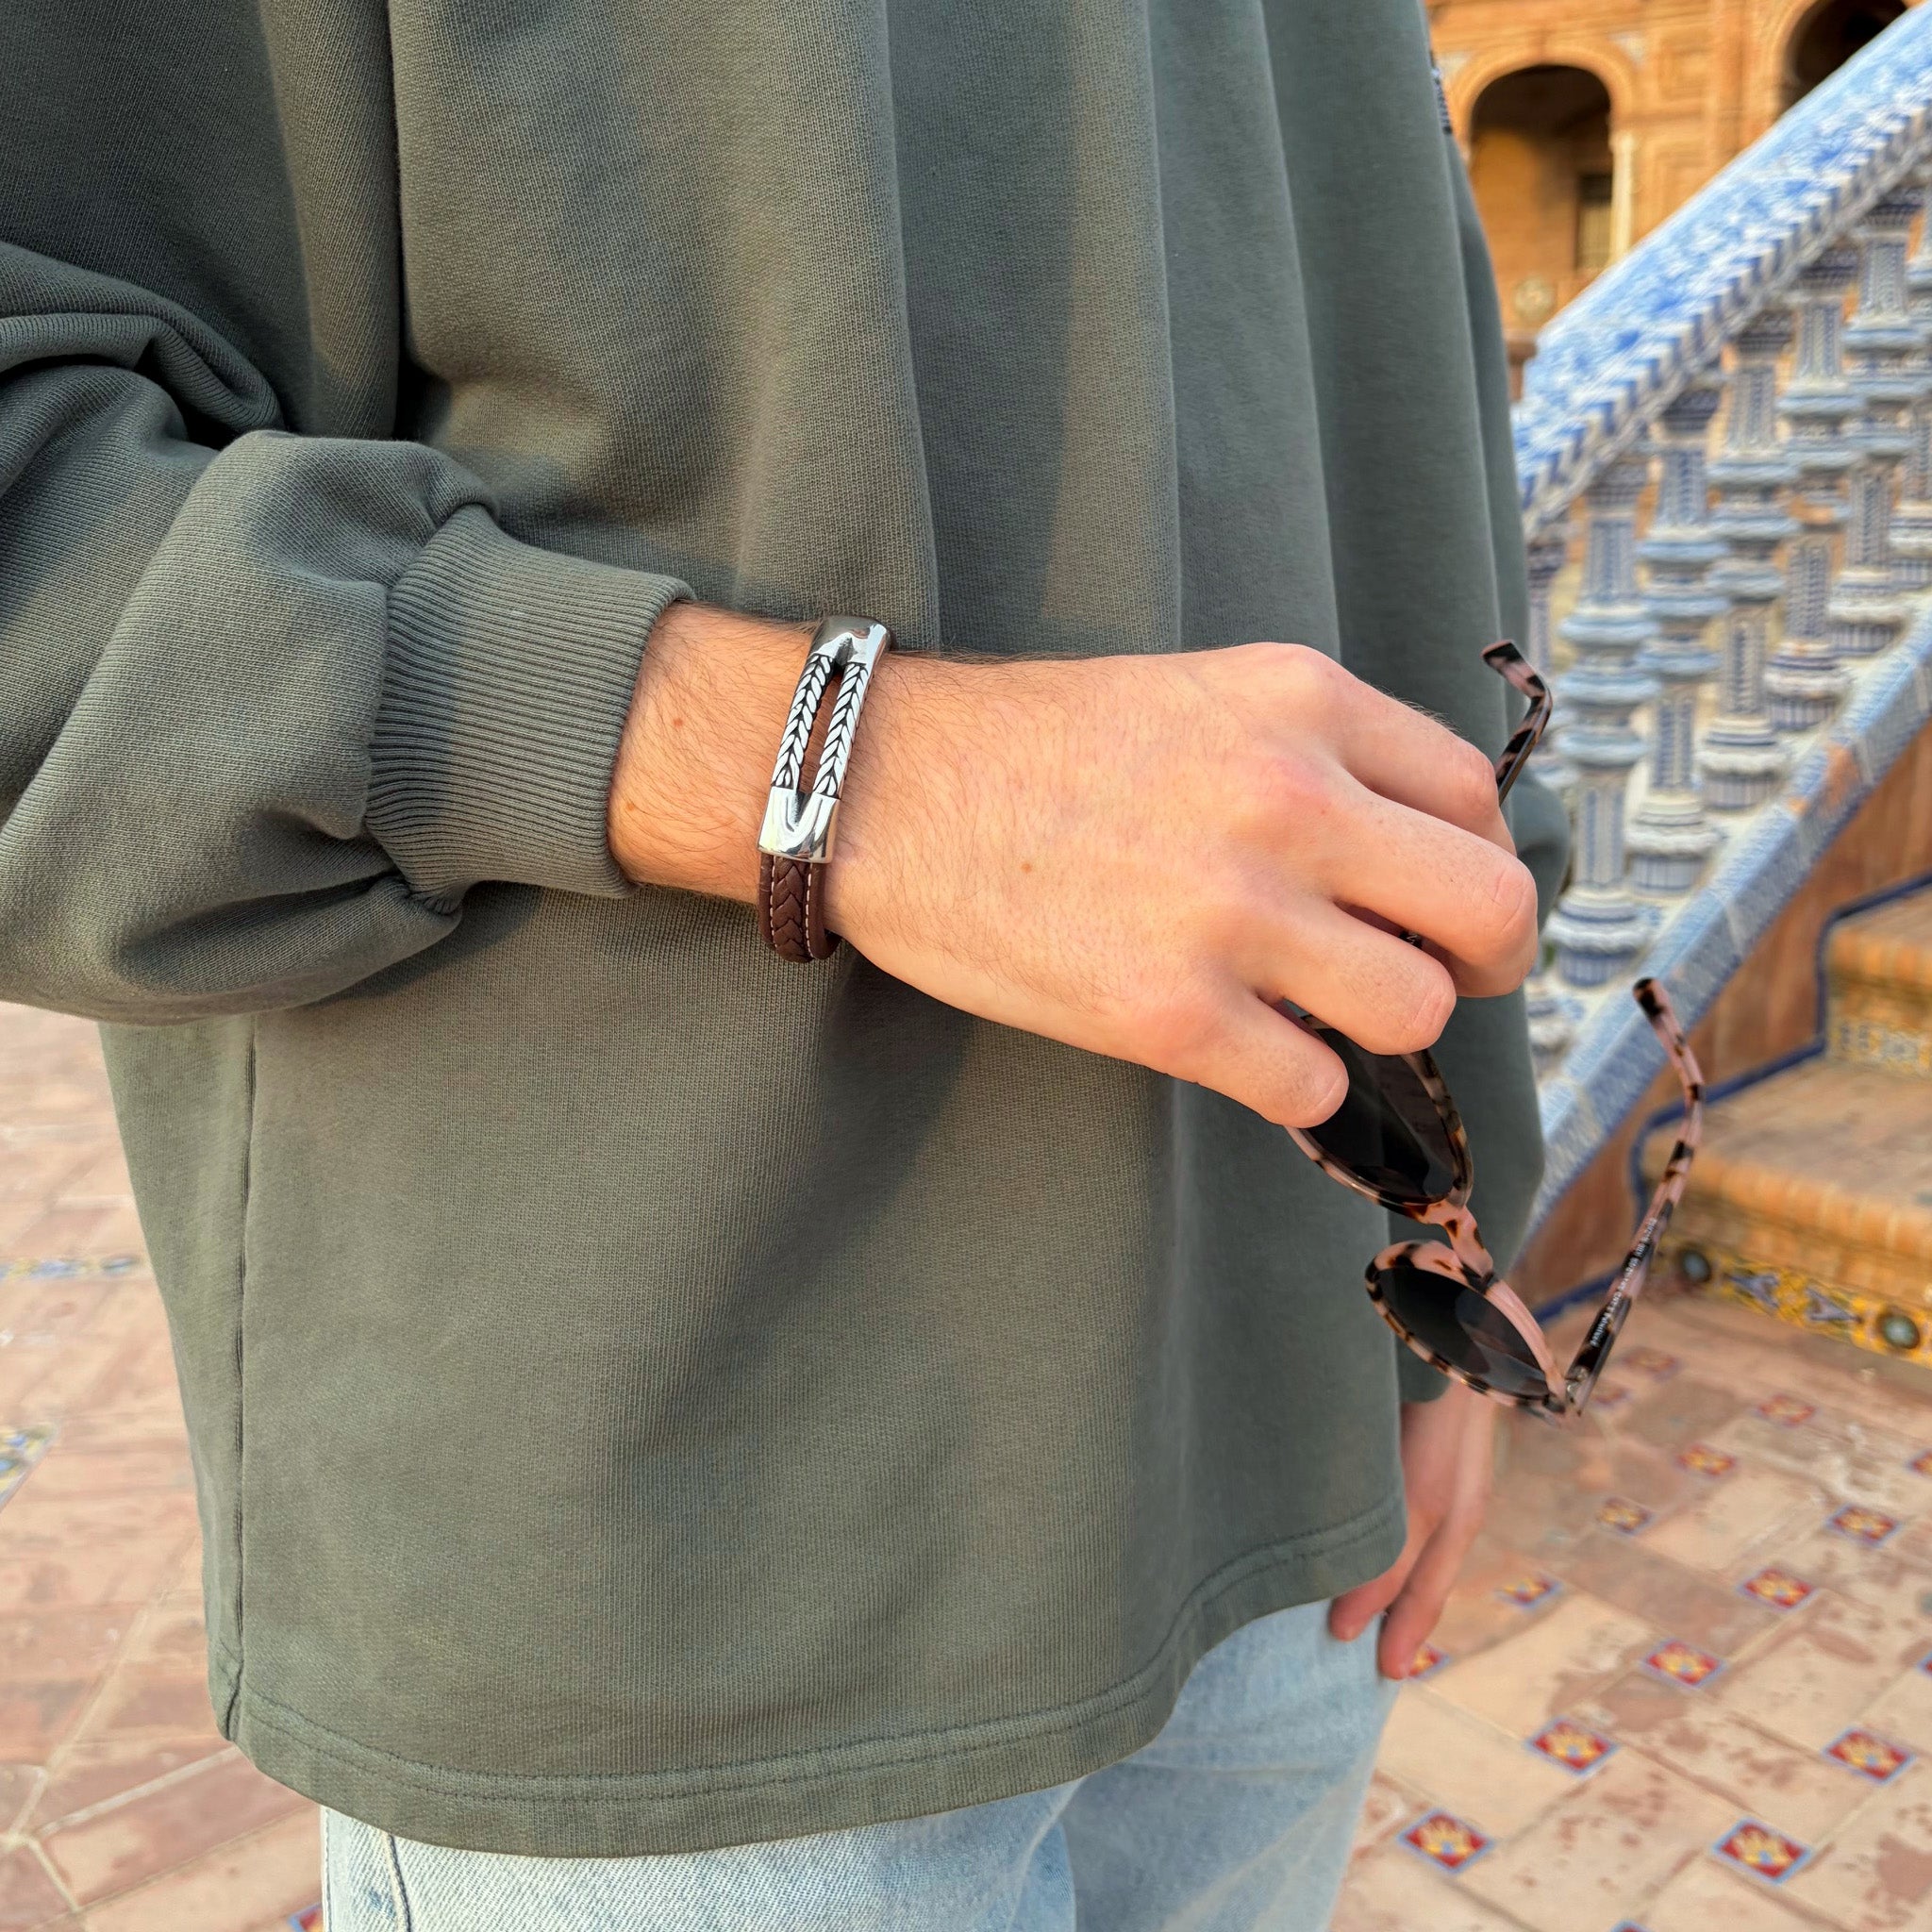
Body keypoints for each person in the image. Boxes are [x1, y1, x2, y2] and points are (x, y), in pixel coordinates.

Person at [0, 3, 1566, 1925]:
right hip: (690, 1582)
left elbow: (1405, 398)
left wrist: (1472, 1241)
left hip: (1289, 1436)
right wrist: (856, 766)